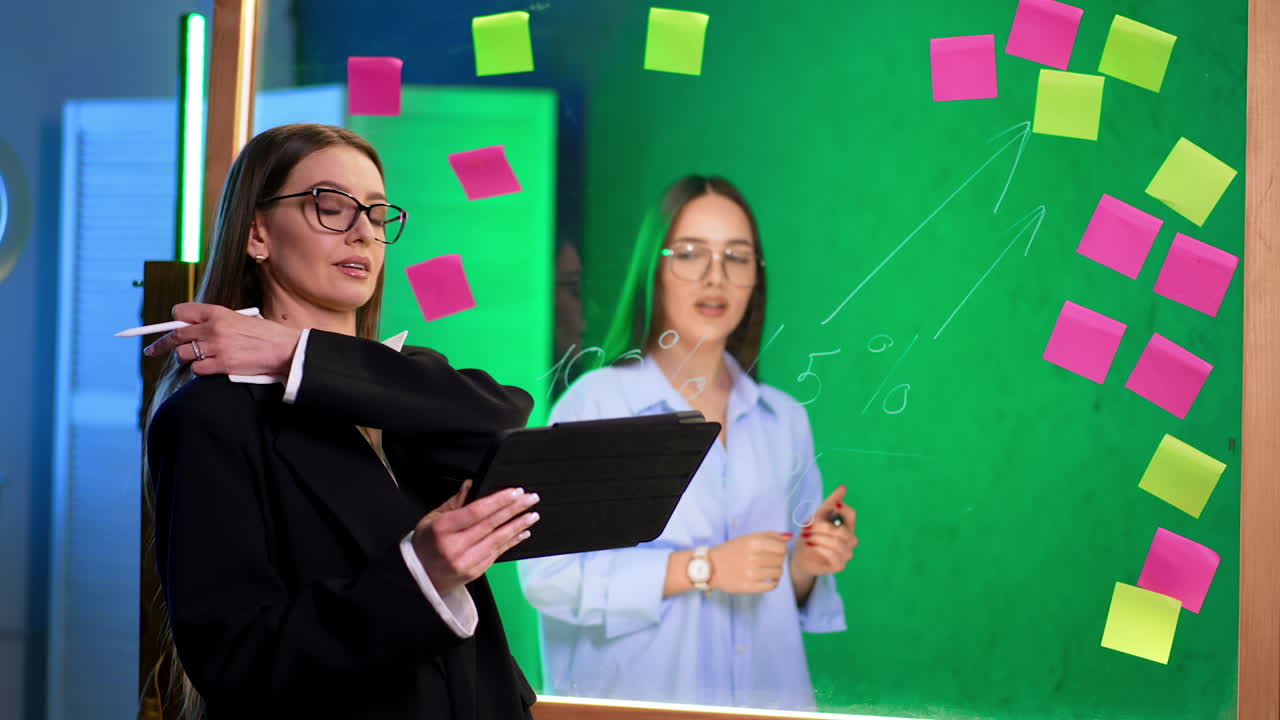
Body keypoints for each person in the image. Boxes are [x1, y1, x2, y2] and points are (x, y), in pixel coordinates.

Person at [142, 123, 540, 719]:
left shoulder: (409, 384)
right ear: (256, 233)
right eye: (331, 206)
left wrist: (292, 354)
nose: (362, 232)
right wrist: (419, 574)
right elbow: (238, 662)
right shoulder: (208, 418)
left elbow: (505, 415)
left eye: (378, 217)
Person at [517, 175, 859, 711]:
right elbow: (547, 578)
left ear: (757, 278)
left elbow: (778, 597)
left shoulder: (784, 421)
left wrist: (808, 566)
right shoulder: (598, 407)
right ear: (656, 267)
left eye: (737, 257)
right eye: (691, 253)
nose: (714, 276)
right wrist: (701, 567)